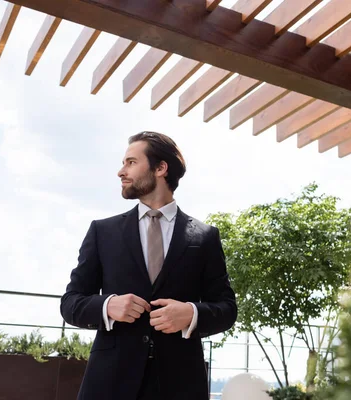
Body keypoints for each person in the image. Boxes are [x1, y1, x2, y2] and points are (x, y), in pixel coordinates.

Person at [60, 131, 238, 400]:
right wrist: (108, 306)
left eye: (131, 162)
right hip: (109, 384)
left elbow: (226, 308)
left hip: (180, 384)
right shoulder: (102, 231)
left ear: (160, 168)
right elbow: (70, 303)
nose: (121, 171)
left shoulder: (205, 236)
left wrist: (191, 314)